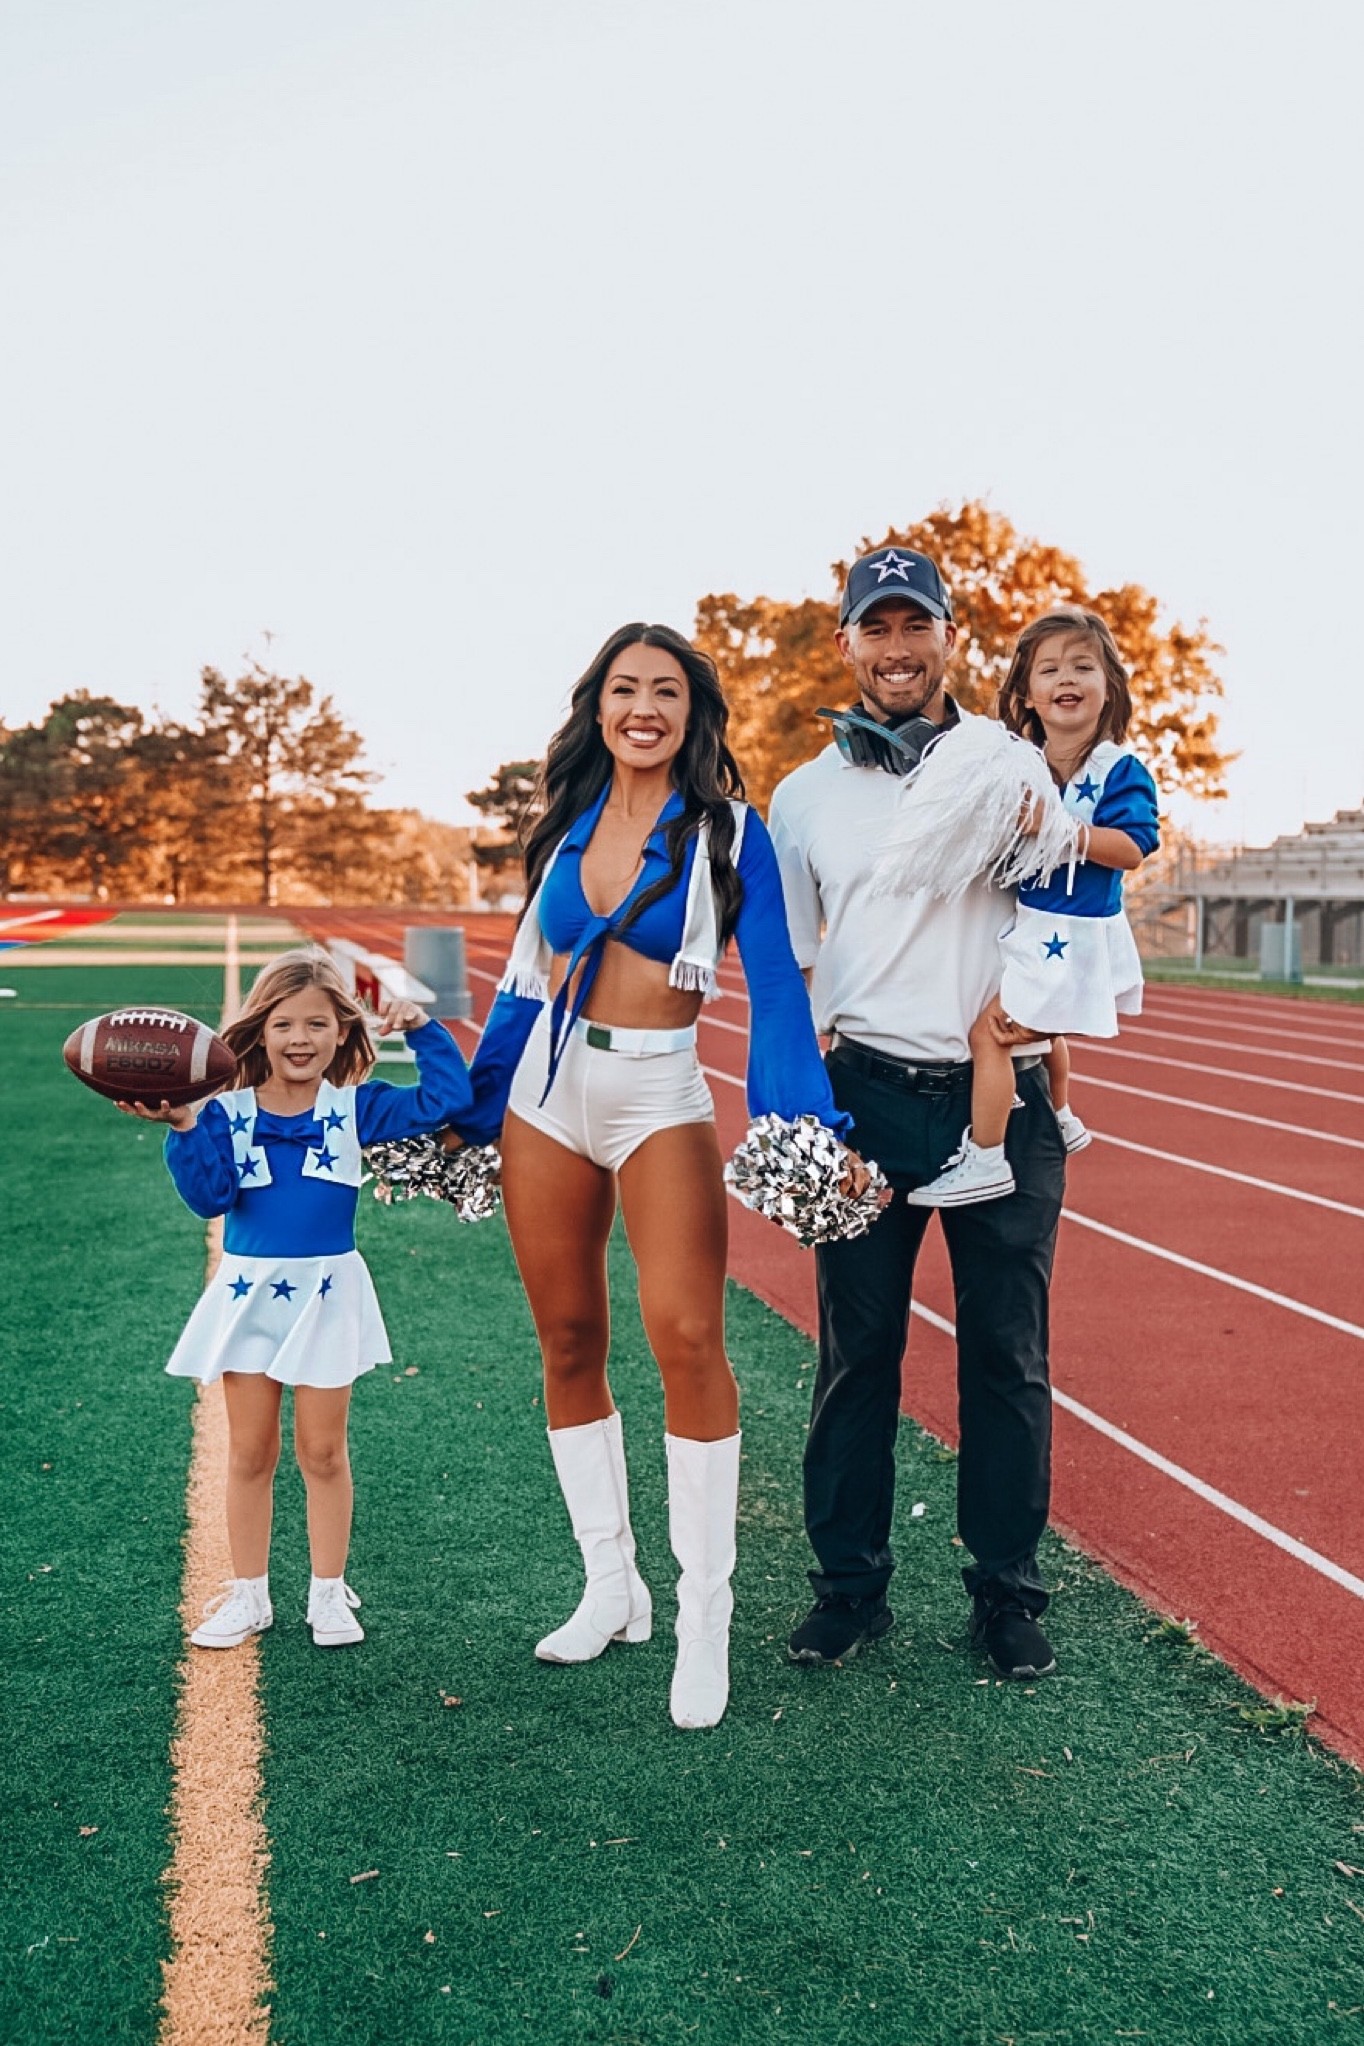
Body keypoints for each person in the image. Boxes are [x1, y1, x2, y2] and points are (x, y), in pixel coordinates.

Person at [457, 621, 863, 1730]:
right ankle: (609, 1586)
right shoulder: (560, 830)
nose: (644, 708)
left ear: (692, 714)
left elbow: (776, 987)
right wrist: (472, 1104)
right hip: (546, 1095)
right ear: (597, 706)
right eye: (625, 689)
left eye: (667, 693)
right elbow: (520, 982)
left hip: (656, 1094)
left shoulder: (732, 832)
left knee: (686, 1336)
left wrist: (802, 1122)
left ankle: (703, 1621)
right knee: (568, 1341)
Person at [768, 544, 1067, 1681]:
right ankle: (848, 1589)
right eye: (874, 629)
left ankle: (1004, 1594)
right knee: (857, 1354)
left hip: (1004, 1103)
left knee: (1006, 1357)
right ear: (843, 644)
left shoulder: (1011, 769)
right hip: (868, 1102)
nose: (896, 649)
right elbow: (794, 974)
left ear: (949, 637)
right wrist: (804, 1120)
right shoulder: (800, 798)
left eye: (916, 626)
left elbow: (1078, 910)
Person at [122, 950, 471, 1650]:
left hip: (327, 1293)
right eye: (284, 1024)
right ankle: (248, 1595)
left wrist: (423, 1028)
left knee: (323, 1450)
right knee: (250, 1452)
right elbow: (210, 1198)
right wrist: (186, 1130)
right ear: (260, 1030)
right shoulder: (225, 1110)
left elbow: (446, 1102)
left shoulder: (357, 1104)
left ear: (343, 1031)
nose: (300, 1039)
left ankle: (328, 1592)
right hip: (250, 1295)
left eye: (318, 1023)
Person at [903, 608, 1160, 1206]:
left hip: (1071, 933)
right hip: (1040, 925)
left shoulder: (1118, 769)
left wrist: (1062, 829)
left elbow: (1133, 849)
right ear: (1027, 693)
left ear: (1109, 687)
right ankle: (1063, 1113)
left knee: (992, 1034)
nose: (1066, 678)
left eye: (1082, 666)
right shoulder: (1025, 761)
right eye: (1049, 669)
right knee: (1038, 1034)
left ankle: (986, 1157)